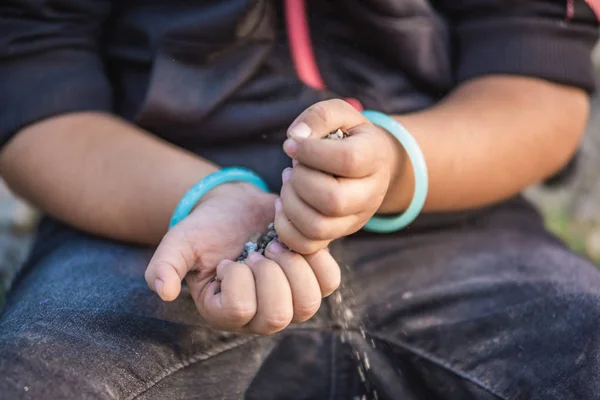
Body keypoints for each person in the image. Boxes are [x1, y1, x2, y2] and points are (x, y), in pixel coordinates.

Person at [1, 0, 599, 398]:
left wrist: (393, 163)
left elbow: (538, 81)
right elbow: (33, 93)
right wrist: (206, 195)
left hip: (457, 215)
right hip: (147, 226)